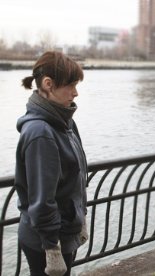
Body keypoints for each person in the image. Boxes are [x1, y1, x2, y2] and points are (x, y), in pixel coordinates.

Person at [14, 51, 89, 276]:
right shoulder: (41, 132)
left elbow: (76, 175)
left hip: (64, 233)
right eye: (71, 85)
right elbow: (42, 199)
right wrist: (52, 247)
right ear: (48, 84)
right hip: (46, 243)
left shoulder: (64, 123)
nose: (76, 93)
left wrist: (80, 217)